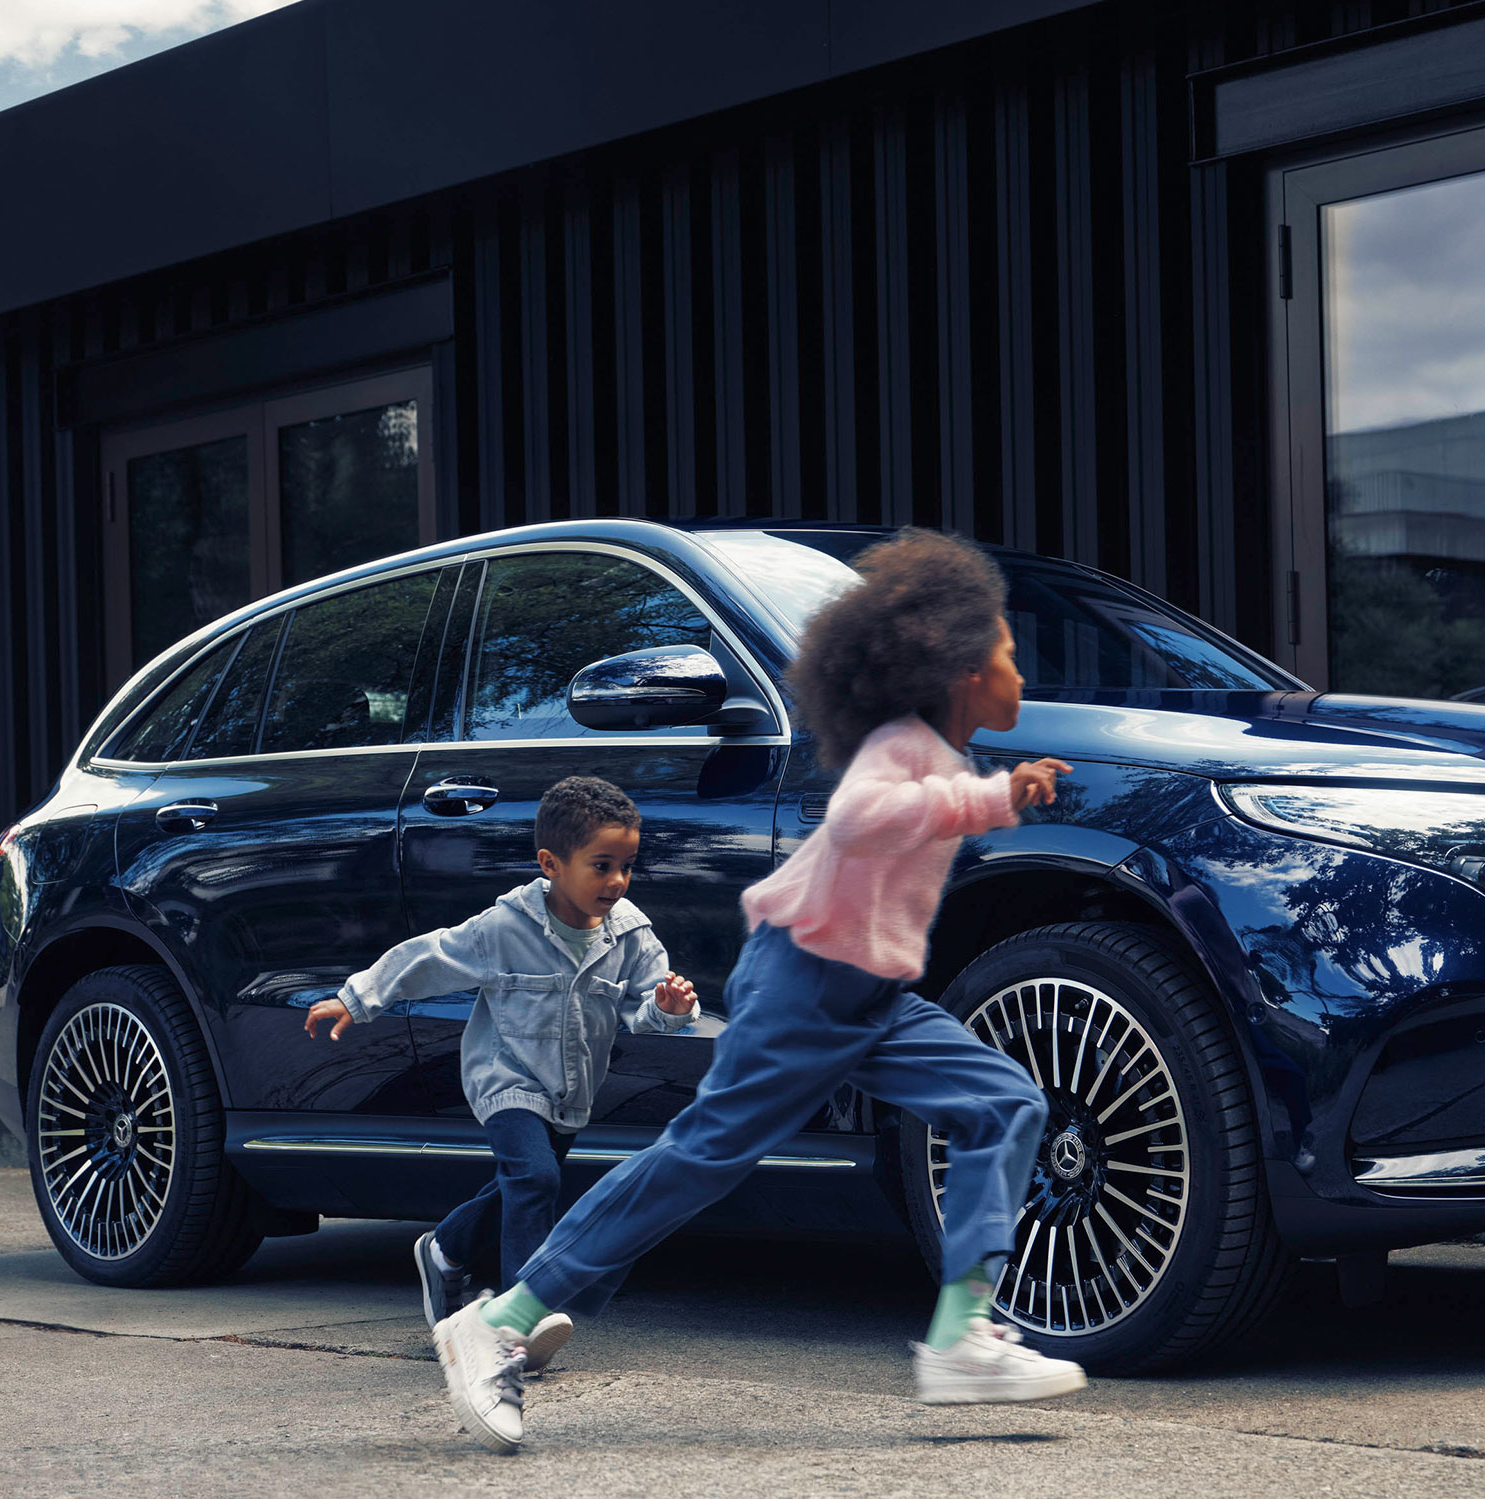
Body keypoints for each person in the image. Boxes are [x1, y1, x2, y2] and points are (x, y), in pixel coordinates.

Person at [431, 528, 1087, 1451]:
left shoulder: (941, 759)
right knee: (699, 1160)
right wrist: (994, 800)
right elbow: (860, 820)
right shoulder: (903, 749)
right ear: (959, 669)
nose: (1022, 669)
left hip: (872, 1001)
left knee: (1004, 1104)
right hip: (804, 987)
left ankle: (960, 1339)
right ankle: (500, 1321)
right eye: (1010, 654)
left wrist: (983, 791)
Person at [304, 775, 697, 1374]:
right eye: (601, 865)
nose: (617, 881)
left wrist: (670, 1009)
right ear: (551, 864)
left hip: (571, 1089)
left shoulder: (631, 936)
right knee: (535, 1178)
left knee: (520, 1186)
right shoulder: (506, 927)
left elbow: (644, 1010)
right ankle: (518, 1317)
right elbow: (430, 957)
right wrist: (357, 999)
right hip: (505, 1076)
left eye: (627, 865)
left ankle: (444, 1250)